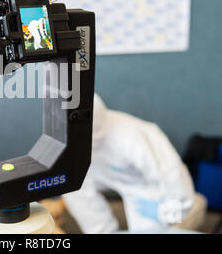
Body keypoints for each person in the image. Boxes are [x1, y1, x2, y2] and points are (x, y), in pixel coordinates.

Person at [62, 93, 202, 233]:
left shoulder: (133, 139)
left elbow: (181, 192)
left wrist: (162, 212)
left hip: (148, 188)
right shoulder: (70, 139)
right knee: (68, 183)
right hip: (113, 178)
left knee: (149, 230)